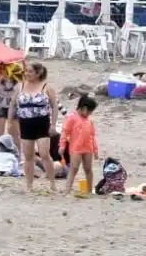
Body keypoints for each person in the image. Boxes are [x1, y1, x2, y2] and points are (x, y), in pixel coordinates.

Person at [11, 62, 58, 194]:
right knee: (28, 156)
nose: (27, 73)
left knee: (44, 154)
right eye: (26, 71)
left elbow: (54, 106)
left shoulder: (46, 87)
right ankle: (29, 185)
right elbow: (13, 104)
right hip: (25, 123)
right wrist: (9, 122)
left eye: (30, 71)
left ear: (38, 73)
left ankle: (52, 183)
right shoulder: (20, 87)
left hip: (42, 123)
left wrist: (53, 124)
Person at [62, 96, 100, 195]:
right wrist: (62, 146)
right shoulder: (72, 118)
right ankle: (67, 190)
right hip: (75, 148)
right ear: (82, 107)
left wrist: (95, 149)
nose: (90, 113)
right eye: (89, 111)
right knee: (74, 168)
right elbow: (65, 132)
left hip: (88, 148)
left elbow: (92, 135)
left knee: (88, 168)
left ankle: (89, 190)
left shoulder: (89, 120)